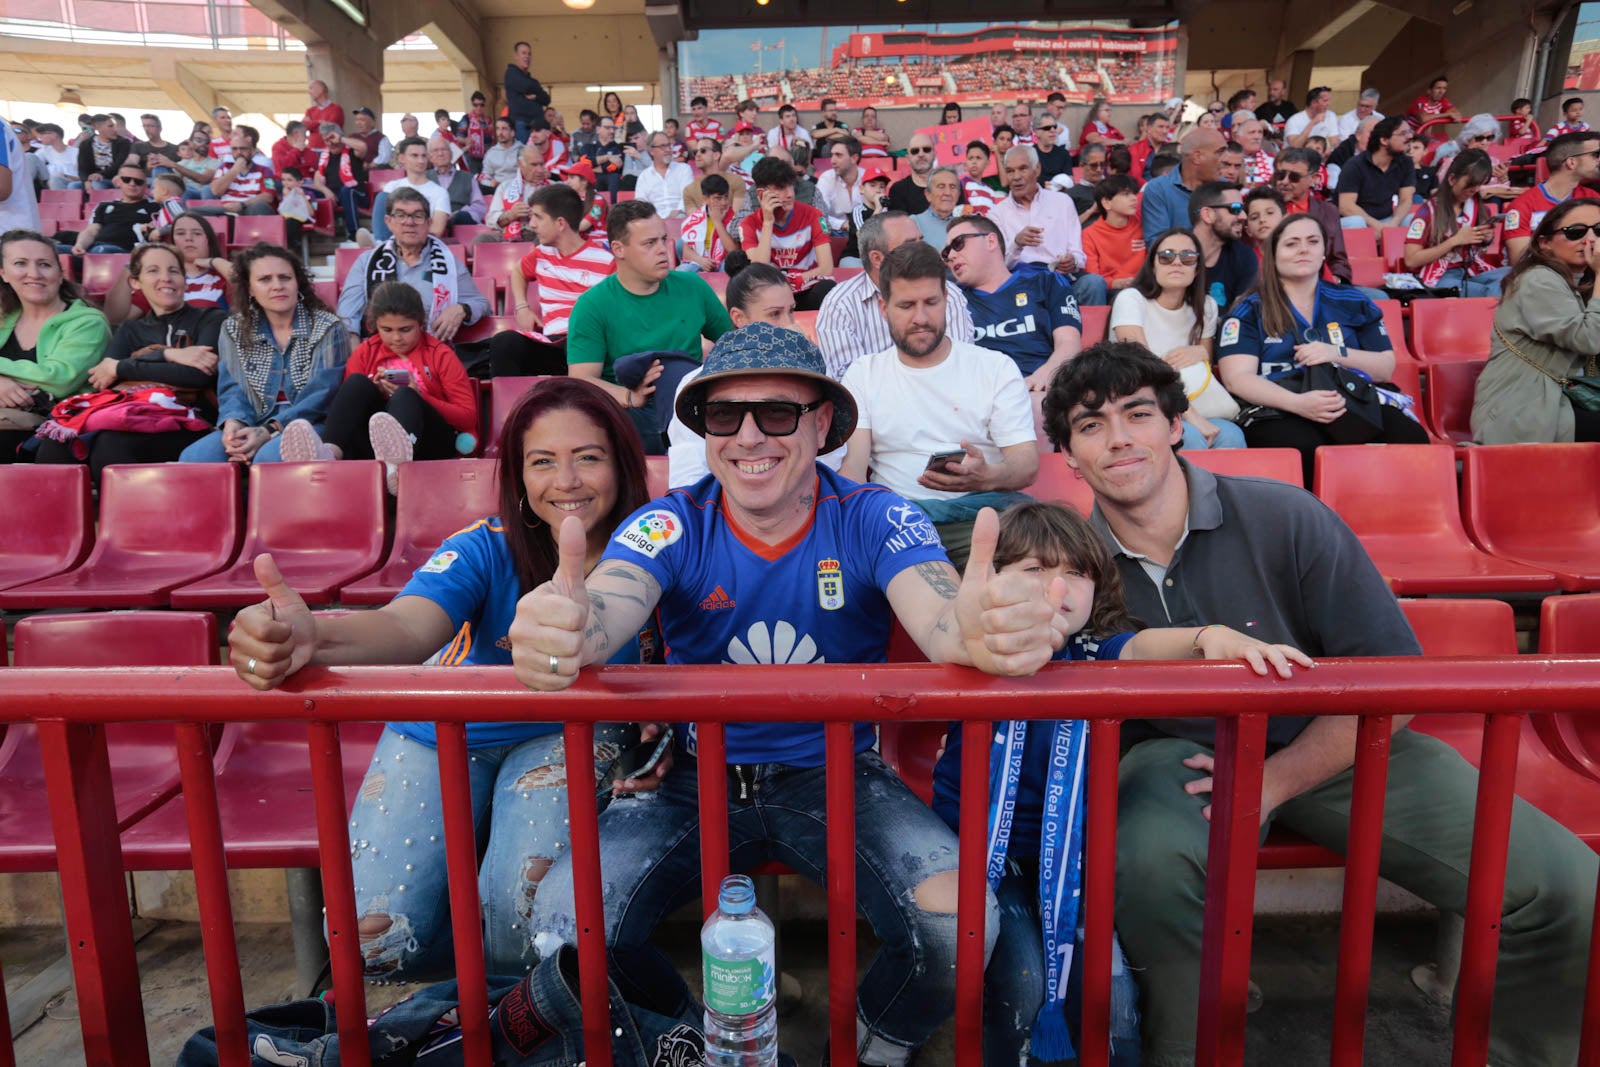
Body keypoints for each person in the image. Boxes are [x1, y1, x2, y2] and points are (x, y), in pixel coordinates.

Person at [519, 319, 1066, 1067]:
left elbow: (945, 620)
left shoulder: (877, 515)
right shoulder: (669, 522)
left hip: (837, 770)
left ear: (818, 424)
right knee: (560, 929)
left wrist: (979, 632)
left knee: (961, 923)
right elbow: (608, 603)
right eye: (724, 415)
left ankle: (874, 1041)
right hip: (687, 777)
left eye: (777, 413)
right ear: (705, 433)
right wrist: (571, 628)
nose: (750, 436)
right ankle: (686, 1039)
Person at [1047, 341, 1599, 1066]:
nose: (1119, 438)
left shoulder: (1285, 513)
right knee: (1150, 863)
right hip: (1181, 755)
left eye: (1138, 414)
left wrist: (1277, 778)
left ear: (1177, 425)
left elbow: (1395, 678)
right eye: (1091, 426)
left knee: (1565, 886)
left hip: (1339, 739)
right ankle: (1191, 1050)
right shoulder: (1068, 560)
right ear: (1068, 456)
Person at [232, 375, 659, 980]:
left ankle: (512, 1006)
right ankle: (460, 996)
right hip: (439, 733)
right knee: (371, 947)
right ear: (517, 476)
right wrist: (314, 636)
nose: (565, 482)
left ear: (622, 465)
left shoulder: (658, 546)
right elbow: (407, 627)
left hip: (567, 733)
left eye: (588, 458)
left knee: (524, 923)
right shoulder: (484, 546)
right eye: (542, 462)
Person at [931, 499, 1304, 1067]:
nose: (1058, 587)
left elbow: (1148, 645)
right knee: (1025, 981)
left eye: (1076, 572)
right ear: (994, 582)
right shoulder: (974, 653)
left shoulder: (1093, 653)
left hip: (1068, 862)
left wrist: (1208, 636)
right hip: (980, 857)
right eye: (1034, 569)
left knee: (1116, 993)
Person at [842, 241, 1039, 568]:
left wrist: (987, 476)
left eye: (931, 302)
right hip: (900, 524)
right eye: (906, 305)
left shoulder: (995, 367)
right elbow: (854, 469)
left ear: (947, 300)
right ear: (883, 307)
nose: (921, 318)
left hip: (984, 516)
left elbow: (1026, 464)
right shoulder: (864, 374)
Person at [1217, 214, 1428, 484]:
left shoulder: (1354, 300)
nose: (1304, 249)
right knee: (1300, 447)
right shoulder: (1249, 309)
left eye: (1312, 241)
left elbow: (1385, 367)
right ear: (1273, 254)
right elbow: (1238, 379)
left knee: (1410, 437)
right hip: (1279, 407)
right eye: (1292, 244)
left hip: (1351, 401)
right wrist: (1299, 404)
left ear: (1323, 251)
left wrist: (1336, 353)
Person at [36, 242, 220, 477]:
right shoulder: (131, 329)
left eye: (174, 271)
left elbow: (197, 375)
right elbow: (103, 378)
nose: (166, 278)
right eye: (153, 270)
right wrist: (168, 355)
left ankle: (123, 514)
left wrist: (125, 365)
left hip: (190, 418)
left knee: (111, 446)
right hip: (133, 413)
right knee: (54, 446)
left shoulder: (211, 317)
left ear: (185, 280)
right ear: (135, 282)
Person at [566, 200, 732, 448]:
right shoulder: (592, 305)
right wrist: (630, 397)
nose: (663, 250)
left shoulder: (693, 287)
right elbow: (582, 379)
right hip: (632, 412)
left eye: (663, 240)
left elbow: (733, 342)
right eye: (649, 243)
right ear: (619, 249)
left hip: (691, 401)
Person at [281, 281, 475, 490]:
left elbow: (467, 416)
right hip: (373, 440)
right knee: (358, 384)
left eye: (405, 329)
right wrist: (377, 391)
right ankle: (329, 454)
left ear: (421, 323)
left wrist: (420, 395)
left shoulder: (440, 354)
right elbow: (349, 406)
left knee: (405, 396)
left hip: (430, 441)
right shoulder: (366, 351)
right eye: (387, 330)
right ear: (375, 326)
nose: (396, 338)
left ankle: (396, 468)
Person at [177, 244, 347, 465]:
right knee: (195, 458)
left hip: (310, 421)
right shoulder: (233, 328)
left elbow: (322, 395)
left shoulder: (327, 326)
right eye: (265, 279)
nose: (278, 286)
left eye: (285, 277)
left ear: (298, 282)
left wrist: (270, 429)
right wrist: (234, 424)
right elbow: (233, 388)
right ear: (249, 288)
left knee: (269, 457)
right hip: (253, 420)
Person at [1473, 198, 1600, 444]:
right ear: (1544, 244)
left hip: (1560, 401)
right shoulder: (1538, 279)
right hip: (1524, 408)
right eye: (1575, 233)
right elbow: (1589, 338)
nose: (1591, 239)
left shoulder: (1578, 284)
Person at [664, 263, 802, 489]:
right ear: (739, 318)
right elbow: (688, 478)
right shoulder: (697, 384)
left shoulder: (809, 378)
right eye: (775, 314)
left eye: (791, 311)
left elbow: (828, 460)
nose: (789, 325)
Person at [1110, 228, 1244, 451]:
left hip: (1193, 400)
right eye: (1166, 256)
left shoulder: (1206, 306)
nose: (1177, 263)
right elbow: (1142, 366)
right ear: (1153, 265)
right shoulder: (1131, 299)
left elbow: (1206, 360)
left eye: (1188, 257)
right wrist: (1191, 416)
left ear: (1197, 267)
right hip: (1138, 398)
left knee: (1232, 436)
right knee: (1190, 437)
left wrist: (1200, 353)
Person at [816, 210, 974, 381]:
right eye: (910, 244)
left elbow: (960, 365)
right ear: (877, 258)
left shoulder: (949, 294)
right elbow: (849, 381)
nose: (922, 249)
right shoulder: (840, 304)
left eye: (921, 240)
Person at [0, 229, 111, 460]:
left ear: (60, 274)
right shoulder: (4, 317)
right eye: (20, 263)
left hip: (56, 429)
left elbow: (59, 380)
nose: (34, 273)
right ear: (4, 273)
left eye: (44, 264)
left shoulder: (88, 322)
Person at [490, 184, 615, 379]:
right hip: (553, 344)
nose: (531, 224)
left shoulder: (606, 261)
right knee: (504, 343)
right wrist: (522, 307)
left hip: (588, 345)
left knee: (584, 344)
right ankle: (513, 408)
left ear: (560, 224)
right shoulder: (541, 254)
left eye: (538, 217)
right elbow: (517, 271)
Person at [337, 188, 490, 343]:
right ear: (388, 222)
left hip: (433, 352)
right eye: (401, 215)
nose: (409, 222)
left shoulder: (449, 262)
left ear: (429, 223)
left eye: (418, 216)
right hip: (379, 353)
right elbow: (347, 319)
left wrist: (461, 309)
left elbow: (481, 304)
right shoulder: (366, 262)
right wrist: (356, 362)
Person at [989, 145, 1106, 308]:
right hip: (1022, 284)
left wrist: (1072, 261)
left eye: (1022, 169)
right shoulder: (996, 214)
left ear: (1037, 169)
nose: (1016, 177)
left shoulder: (1062, 202)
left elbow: (1078, 254)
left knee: (1093, 283)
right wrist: (1017, 243)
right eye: (1010, 171)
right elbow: (997, 266)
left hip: (1061, 280)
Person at [1402, 148, 1507, 297]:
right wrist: (1454, 241)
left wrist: (1485, 240)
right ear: (1452, 179)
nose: (1475, 190)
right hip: (1441, 276)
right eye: (1470, 184)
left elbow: (1479, 256)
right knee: (1490, 292)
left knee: (1516, 275)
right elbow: (1411, 260)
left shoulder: (1479, 208)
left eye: (1479, 184)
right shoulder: (1428, 212)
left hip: (1471, 271)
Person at [740, 155, 835, 312]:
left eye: (790, 186)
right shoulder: (748, 224)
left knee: (828, 288)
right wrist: (768, 222)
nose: (789, 194)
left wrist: (796, 280)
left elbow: (827, 268)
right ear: (761, 194)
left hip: (806, 288)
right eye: (780, 188)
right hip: (770, 296)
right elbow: (758, 269)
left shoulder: (814, 215)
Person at [103, 211, 228, 324]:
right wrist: (131, 266)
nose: (189, 238)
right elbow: (116, 319)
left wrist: (215, 262)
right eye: (180, 233)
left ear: (209, 241)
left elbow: (242, 280)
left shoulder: (222, 275)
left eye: (197, 233)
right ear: (172, 242)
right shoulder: (158, 280)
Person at [1503, 131, 1600, 262]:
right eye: (1596, 155)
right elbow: (1520, 261)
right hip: (1541, 277)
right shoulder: (1522, 206)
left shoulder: (1593, 198)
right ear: (1571, 162)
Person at [1139, 128, 1224, 246]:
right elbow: (1158, 245)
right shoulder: (1158, 189)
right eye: (1219, 153)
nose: (1224, 159)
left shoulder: (1225, 189)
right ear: (1197, 157)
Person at [58, 161, 154, 255]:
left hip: (123, 253)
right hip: (94, 248)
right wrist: (80, 246)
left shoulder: (154, 207)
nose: (132, 184)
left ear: (145, 185)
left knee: (101, 251)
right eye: (126, 179)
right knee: (52, 250)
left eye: (138, 181)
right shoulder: (104, 206)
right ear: (118, 182)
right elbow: (92, 231)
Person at [1334, 117, 1414, 230]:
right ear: (1384, 140)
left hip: (1387, 220)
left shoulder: (1406, 162)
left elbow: (1406, 200)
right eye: (1403, 133)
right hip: (1357, 220)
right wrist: (1378, 226)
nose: (1410, 136)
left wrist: (1393, 223)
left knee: (1412, 220)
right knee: (1356, 222)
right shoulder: (1355, 165)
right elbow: (1346, 207)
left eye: (1410, 132)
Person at [1188, 181, 1257, 312]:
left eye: (1243, 209)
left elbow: (1242, 314)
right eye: (1235, 209)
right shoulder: (1175, 253)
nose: (1243, 216)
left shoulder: (1244, 256)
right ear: (1207, 214)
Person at [367, 137, 450, 242]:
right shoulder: (392, 187)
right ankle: (381, 244)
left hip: (420, 241)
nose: (421, 160)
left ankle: (380, 246)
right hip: (392, 237)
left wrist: (407, 233)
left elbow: (437, 230)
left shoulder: (439, 192)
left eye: (424, 156)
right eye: (414, 156)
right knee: (382, 197)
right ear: (402, 158)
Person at [1080, 175, 1145, 294]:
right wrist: (1114, 283)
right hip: (1109, 291)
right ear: (1106, 203)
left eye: (1134, 193)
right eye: (1125, 194)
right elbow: (1093, 277)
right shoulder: (1089, 234)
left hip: (1142, 288)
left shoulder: (1144, 228)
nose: (1134, 198)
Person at [306, 123, 368, 239]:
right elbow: (317, 181)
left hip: (356, 194)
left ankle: (354, 233)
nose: (330, 143)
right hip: (333, 194)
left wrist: (340, 139)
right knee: (304, 191)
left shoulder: (352, 151)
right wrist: (326, 191)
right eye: (326, 140)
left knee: (346, 191)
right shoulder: (324, 156)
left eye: (332, 138)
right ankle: (312, 231)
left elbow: (363, 147)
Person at [208, 126, 278, 216]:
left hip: (248, 209)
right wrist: (235, 170)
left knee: (260, 206)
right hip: (226, 210)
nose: (239, 152)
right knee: (194, 212)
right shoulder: (224, 167)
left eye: (243, 148)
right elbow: (215, 191)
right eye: (234, 149)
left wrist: (242, 204)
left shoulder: (264, 171)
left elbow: (268, 196)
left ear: (252, 151)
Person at [485, 145, 550, 241]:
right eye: (534, 165)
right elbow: (491, 219)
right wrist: (510, 215)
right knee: (482, 239)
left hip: (539, 235)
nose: (540, 170)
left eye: (541, 164)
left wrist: (541, 216)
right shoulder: (505, 187)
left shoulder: (554, 187)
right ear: (520, 165)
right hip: (508, 235)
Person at [677, 174, 736, 273]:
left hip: (722, 262)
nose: (724, 202)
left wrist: (717, 222)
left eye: (726, 197)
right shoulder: (696, 219)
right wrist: (701, 261)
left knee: (728, 267)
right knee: (682, 270)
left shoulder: (732, 217)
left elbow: (733, 250)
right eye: (718, 198)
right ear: (705, 199)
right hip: (700, 261)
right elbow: (686, 250)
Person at [633, 131, 694, 218]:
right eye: (663, 146)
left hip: (681, 217)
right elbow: (641, 205)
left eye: (669, 145)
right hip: (654, 222)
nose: (668, 149)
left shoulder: (684, 169)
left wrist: (679, 212)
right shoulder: (644, 176)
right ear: (651, 151)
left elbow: (688, 197)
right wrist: (660, 217)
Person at [680, 138, 747, 216]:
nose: (697, 155)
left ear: (716, 155)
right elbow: (695, 223)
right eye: (695, 152)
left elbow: (737, 218)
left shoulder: (736, 181)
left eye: (703, 151)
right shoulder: (689, 190)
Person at [505, 41, 551, 143]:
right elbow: (526, 86)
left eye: (529, 54)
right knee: (524, 156)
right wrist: (537, 89)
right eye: (524, 53)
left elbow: (546, 99)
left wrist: (535, 96)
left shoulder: (532, 80)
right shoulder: (511, 73)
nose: (527, 56)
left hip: (536, 127)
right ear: (516, 56)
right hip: (521, 126)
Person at [912, 166, 970, 248]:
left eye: (952, 187)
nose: (947, 193)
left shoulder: (967, 225)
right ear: (928, 194)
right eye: (941, 186)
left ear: (958, 195)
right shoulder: (913, 223)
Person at [814, 137, 864, 230]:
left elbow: (881, 213)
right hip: (834, 232)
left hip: (864, 233)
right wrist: (843, 224)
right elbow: (819, 215)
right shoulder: (826, 178)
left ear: (854, 158)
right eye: (832, 155)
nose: (832, 161)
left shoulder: (868, 178)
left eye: (838, 155)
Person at [76, 115, 129, 191]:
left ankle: (100, 202)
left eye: (115, 126)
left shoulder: (123, 143)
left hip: (114, 179)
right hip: (93, 179)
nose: (115, 129)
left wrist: (101, 174)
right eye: (110, 126)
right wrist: (86, 181)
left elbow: (119, 164)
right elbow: (82, 168)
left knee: (97, 183)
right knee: (73, 186)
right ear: (98, 127)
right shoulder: (86, 144)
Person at [888, 132, 937, 215]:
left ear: (935, 154)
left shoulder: (951, 186)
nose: (921, 154)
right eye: (915, 151)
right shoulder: (898, 190)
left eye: (926, 149)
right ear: (907, 158)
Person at [1405, 75, 1462, 141]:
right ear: (1429, 91)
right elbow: (1424, 119)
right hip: (1407, 134)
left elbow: (1456, 114)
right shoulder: (1420, 101)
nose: (1441, 91)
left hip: (1422, 136)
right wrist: (1447, 114)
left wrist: (1454, 115)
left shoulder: (1443, 101)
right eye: (1438, 88)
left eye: (1444, 88)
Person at [455, 91, 493, 174]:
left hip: (486, 158)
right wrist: (465, 140)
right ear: (472, 105)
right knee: (474, 181)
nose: (478, 107)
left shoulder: (488, 120)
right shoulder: (466, 119)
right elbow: (458, 137)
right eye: (476, 105)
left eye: (481, 105)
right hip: (472, 158)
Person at [480, 118, 521, 191]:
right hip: (497, 190)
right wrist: (490, 183)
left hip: (519, 189)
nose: (500, 133)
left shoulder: (523, 150)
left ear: (512, 132)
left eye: (504, 129)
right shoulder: (491, 153)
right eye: (498, 129)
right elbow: (485, 176)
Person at [302, 79, 343, 151]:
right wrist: (319, 122)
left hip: (329, 150)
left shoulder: (336, 109)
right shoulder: (310, 110)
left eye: (311, 88)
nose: (309, 92)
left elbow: (329, 129)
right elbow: (303, 127)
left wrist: (311, 124)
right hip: (312, 150)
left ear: (321, 89)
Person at [1127, 114, 1170, 180]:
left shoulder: (1172, 149)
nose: (1165, 131)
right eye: (1161, 127)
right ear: (1149, 129)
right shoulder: (1135, 149)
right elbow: (1135, 177)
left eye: (1167, 127)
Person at [1033, 113, 1071, 183]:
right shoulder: (1030, 155)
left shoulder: (1064, 154)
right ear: (1036, 132)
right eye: (1047, 128)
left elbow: (1069, 181)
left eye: (1055, 127)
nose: (1052, 130)